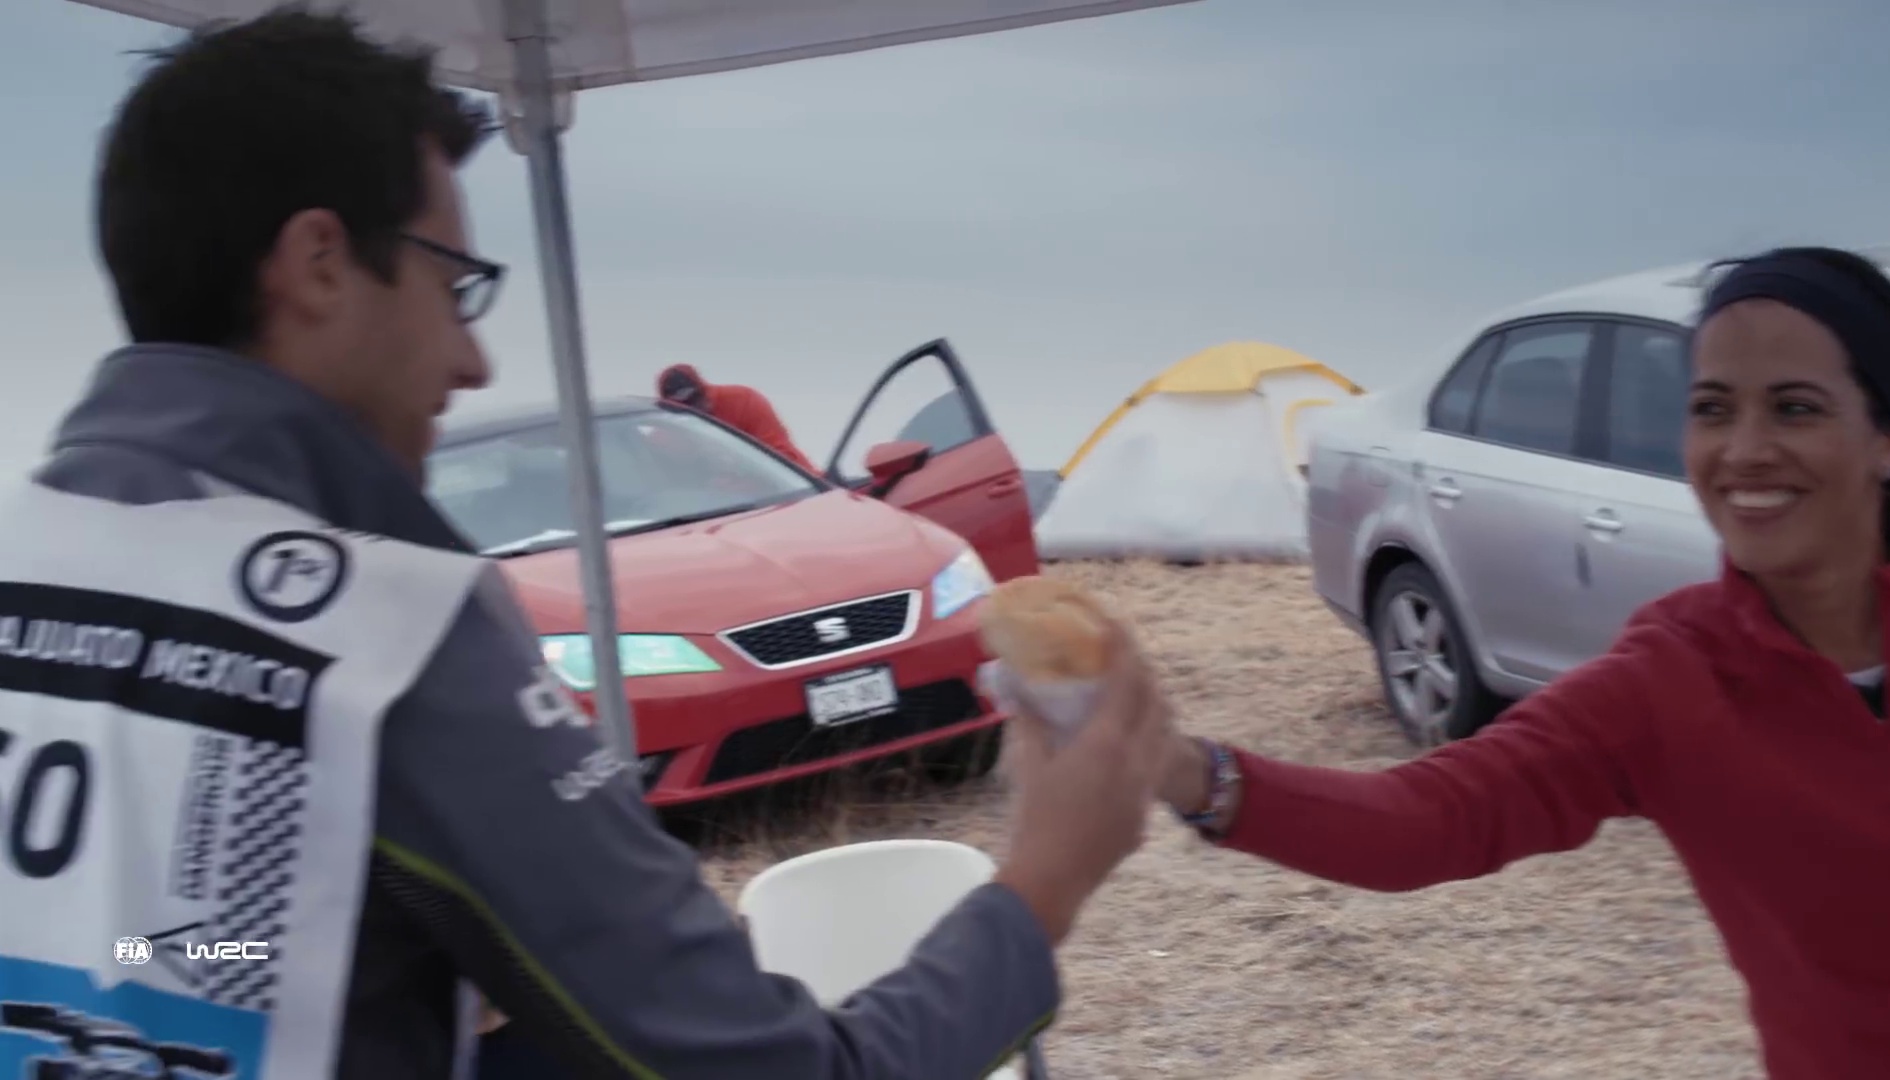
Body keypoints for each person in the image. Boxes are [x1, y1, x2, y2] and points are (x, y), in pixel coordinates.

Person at [0, 10, 1168, 1080]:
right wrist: (1044, 885)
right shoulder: (387, 633)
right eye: (455, 286)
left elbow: (129, 944)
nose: (474, 362)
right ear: (319, 264)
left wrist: (359, 963)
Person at [1140, 246, 1890, 1078]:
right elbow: (1429, 819)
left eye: (1796, 409)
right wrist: (1190, 773)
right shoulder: (1675, 679)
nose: (1745, 449)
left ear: (1883, 437)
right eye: (1712, 409)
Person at [657, 363, 820, 473]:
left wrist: (736, 464)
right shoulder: (662, 438)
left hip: (796, 494)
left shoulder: (744, 400)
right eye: (683, 408)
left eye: (696, 400)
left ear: (704, 390)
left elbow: (782, 457)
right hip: (720, 506)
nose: (695, 410)